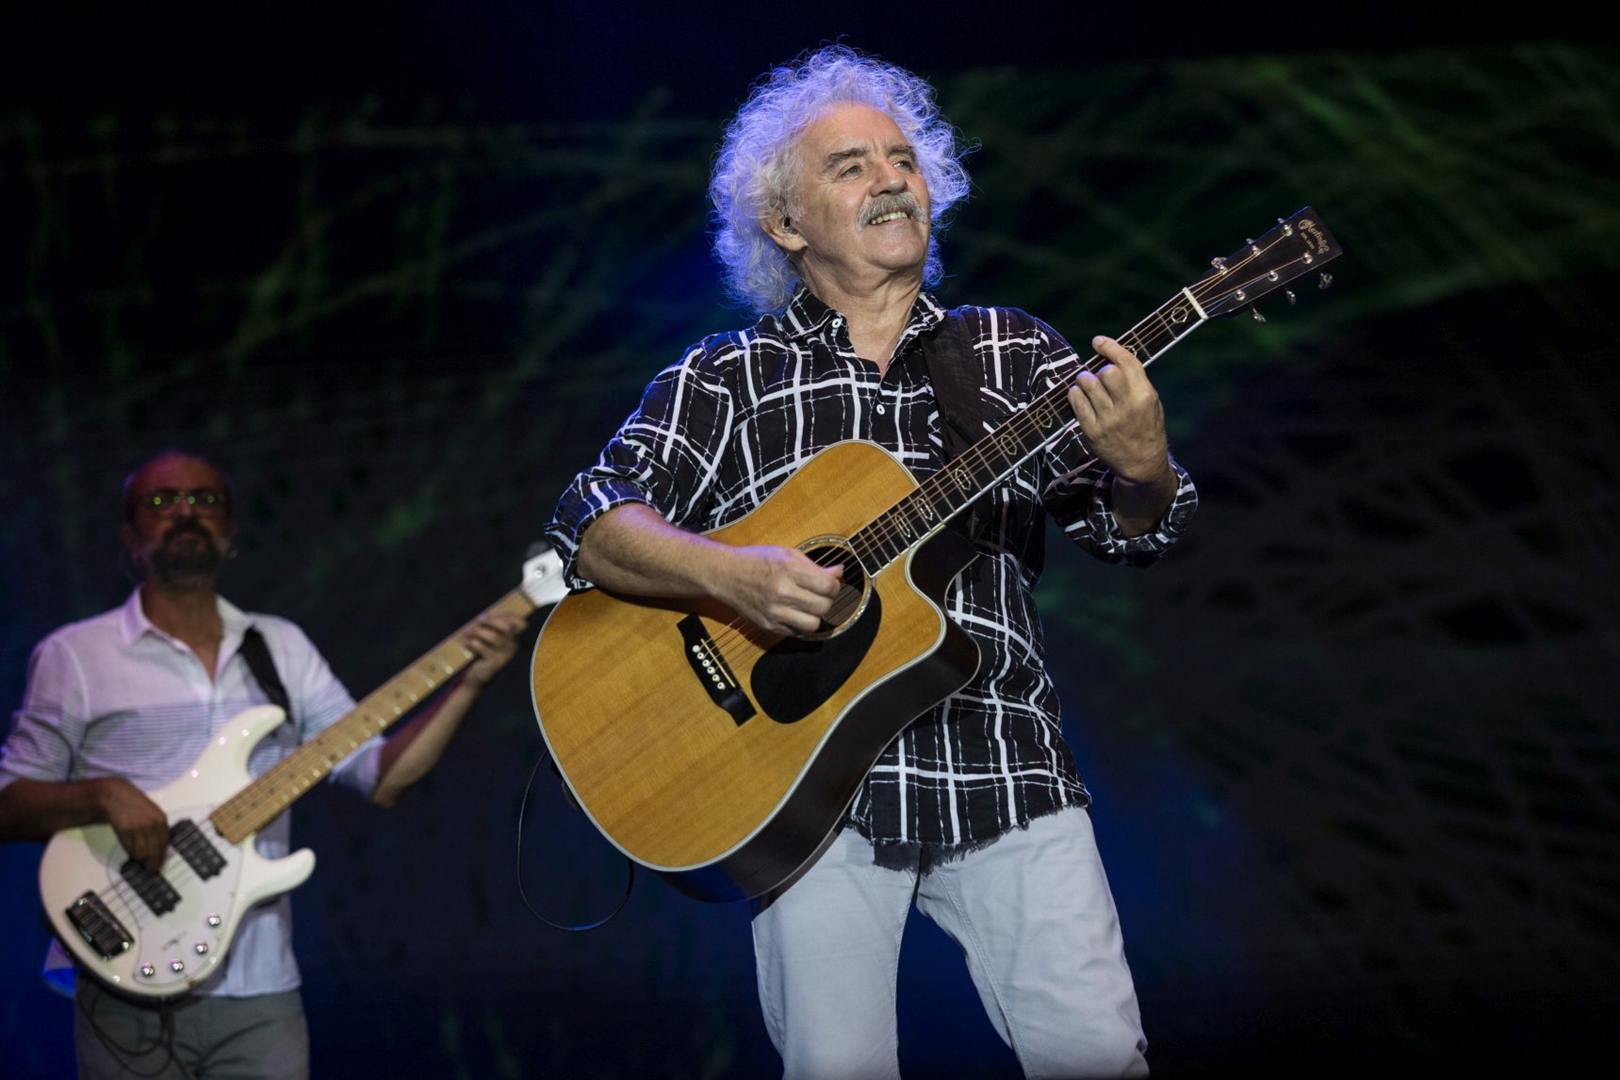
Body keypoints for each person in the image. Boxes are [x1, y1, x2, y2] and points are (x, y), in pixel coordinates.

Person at [545, 46, 1198, 1078]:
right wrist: (731, 577)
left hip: (1004, 763)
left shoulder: (1013, 352)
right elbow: (590, 522)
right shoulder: (728, 376)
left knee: (1099, 1058)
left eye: (902, 160)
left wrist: (1146, 468)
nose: (891, 179)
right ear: (785, 223)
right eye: (850, 167)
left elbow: (1133, 532)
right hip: (804, 797)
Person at [0, 448, 529, 1079]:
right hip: (122, 976)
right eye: (161, 501)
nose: (186, 511)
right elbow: (9, 804)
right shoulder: (75, 656)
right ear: (129, 536)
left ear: (231, 534)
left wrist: (469, 684)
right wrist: (102, 795)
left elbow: (381, 777)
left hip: (260, 989)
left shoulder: (281, 647)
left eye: (205, 500)